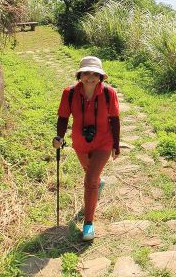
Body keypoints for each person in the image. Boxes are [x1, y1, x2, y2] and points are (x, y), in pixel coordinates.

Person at [52, 56, 121, 241]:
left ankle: (88, 223)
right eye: (86, 73)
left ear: (101, 76)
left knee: (89, 179)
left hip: (103, 142)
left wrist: (116, 144)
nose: (90, 77)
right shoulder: (70, 93)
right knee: (90, 172)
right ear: (80, 75)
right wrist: (59, 136)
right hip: (80, 143)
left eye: (95, 73)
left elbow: (114, 119)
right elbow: (63, 117)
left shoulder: (109, 93)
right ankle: (99, 183)